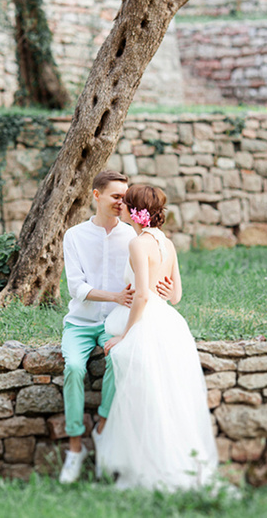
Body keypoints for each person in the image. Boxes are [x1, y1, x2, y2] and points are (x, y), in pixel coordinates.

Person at [97, 184, 219, 491]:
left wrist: (124, 336)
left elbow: (139, 296)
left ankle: (149, 466)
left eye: (125, 204)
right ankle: (174, 462)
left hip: (147, 323)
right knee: (168, 398)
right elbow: (176, 295)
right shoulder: (167, 243)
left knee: (145, 398)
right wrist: (159, 291)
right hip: (170, 322)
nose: (120, 207)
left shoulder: (138, 245)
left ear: (135, 211)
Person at [58, 170, 176, 484]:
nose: (122, 202)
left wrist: (161, 290)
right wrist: (114, 295)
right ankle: (74, 448)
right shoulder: (74, 236)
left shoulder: (134, 237)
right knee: (73, 367)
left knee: (119, 360)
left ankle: (103, 429)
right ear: (96, 195)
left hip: (117, 323)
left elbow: (153, 280)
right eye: (115, 196)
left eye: (125, 198)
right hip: (81, 322)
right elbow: (76, 288)